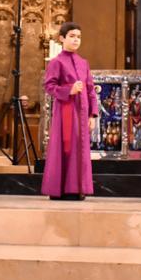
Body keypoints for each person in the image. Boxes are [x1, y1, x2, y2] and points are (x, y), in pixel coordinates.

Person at [41, 22, 97, 200]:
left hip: (82, 112)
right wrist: (68, 91)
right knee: (65, 147)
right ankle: (61, 189)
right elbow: (49, 86)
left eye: (78, 37)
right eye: (72, 36)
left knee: (79, 149)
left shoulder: (83, 63)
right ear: (62, 38)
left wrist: (93, 114)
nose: (76, 40)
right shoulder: (56, 62)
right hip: (66, 110)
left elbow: (90, 90)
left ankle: (77, 188)